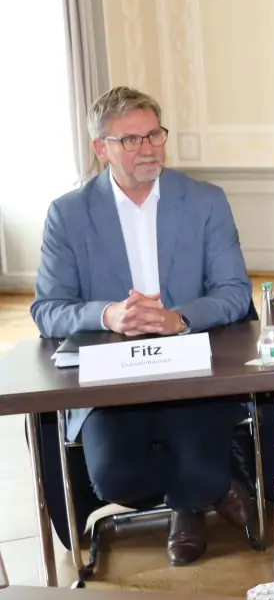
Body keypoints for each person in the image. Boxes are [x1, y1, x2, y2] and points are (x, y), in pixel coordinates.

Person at [32, 87, 254, 566]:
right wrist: (108, 314)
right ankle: (206, 492)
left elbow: (235, 292)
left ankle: (193, 498)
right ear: (101, 149)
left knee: (199, 468)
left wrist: (180, 318)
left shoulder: (204, 201)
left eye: (154, 134)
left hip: (192, 368)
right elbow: (48, 309)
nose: (148, 148)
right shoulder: (68, 215)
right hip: (111, 375)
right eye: (130, 140)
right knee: (116, 480)